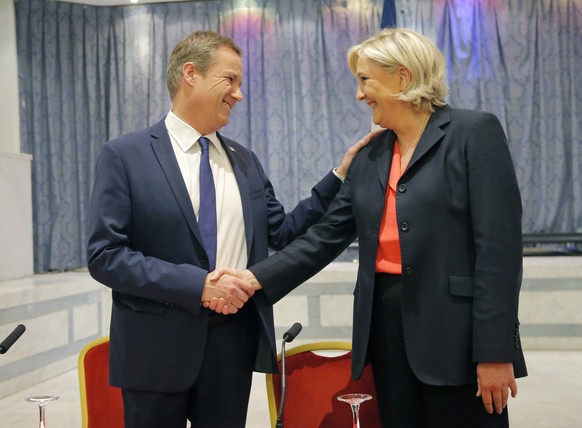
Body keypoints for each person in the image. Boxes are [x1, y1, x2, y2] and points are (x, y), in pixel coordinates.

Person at [216, 28, 527, 427]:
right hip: (385, 329)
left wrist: (494, 351)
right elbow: (325, 236)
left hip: (458, 335)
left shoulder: (473, 134)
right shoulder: (372, 154)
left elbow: (498, 254)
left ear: (402, 77)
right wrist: (252, 279)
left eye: (365, 80)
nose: (360, 94)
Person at [86, 30, 374, 428]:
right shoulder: (125, 155)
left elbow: (283, 232)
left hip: (231, 346)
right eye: (230, 80)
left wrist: (339, 176)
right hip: (154, 349)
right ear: (191, 74)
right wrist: (199, 285)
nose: (238, 94)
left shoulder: (244, 159)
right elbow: (106, 257)